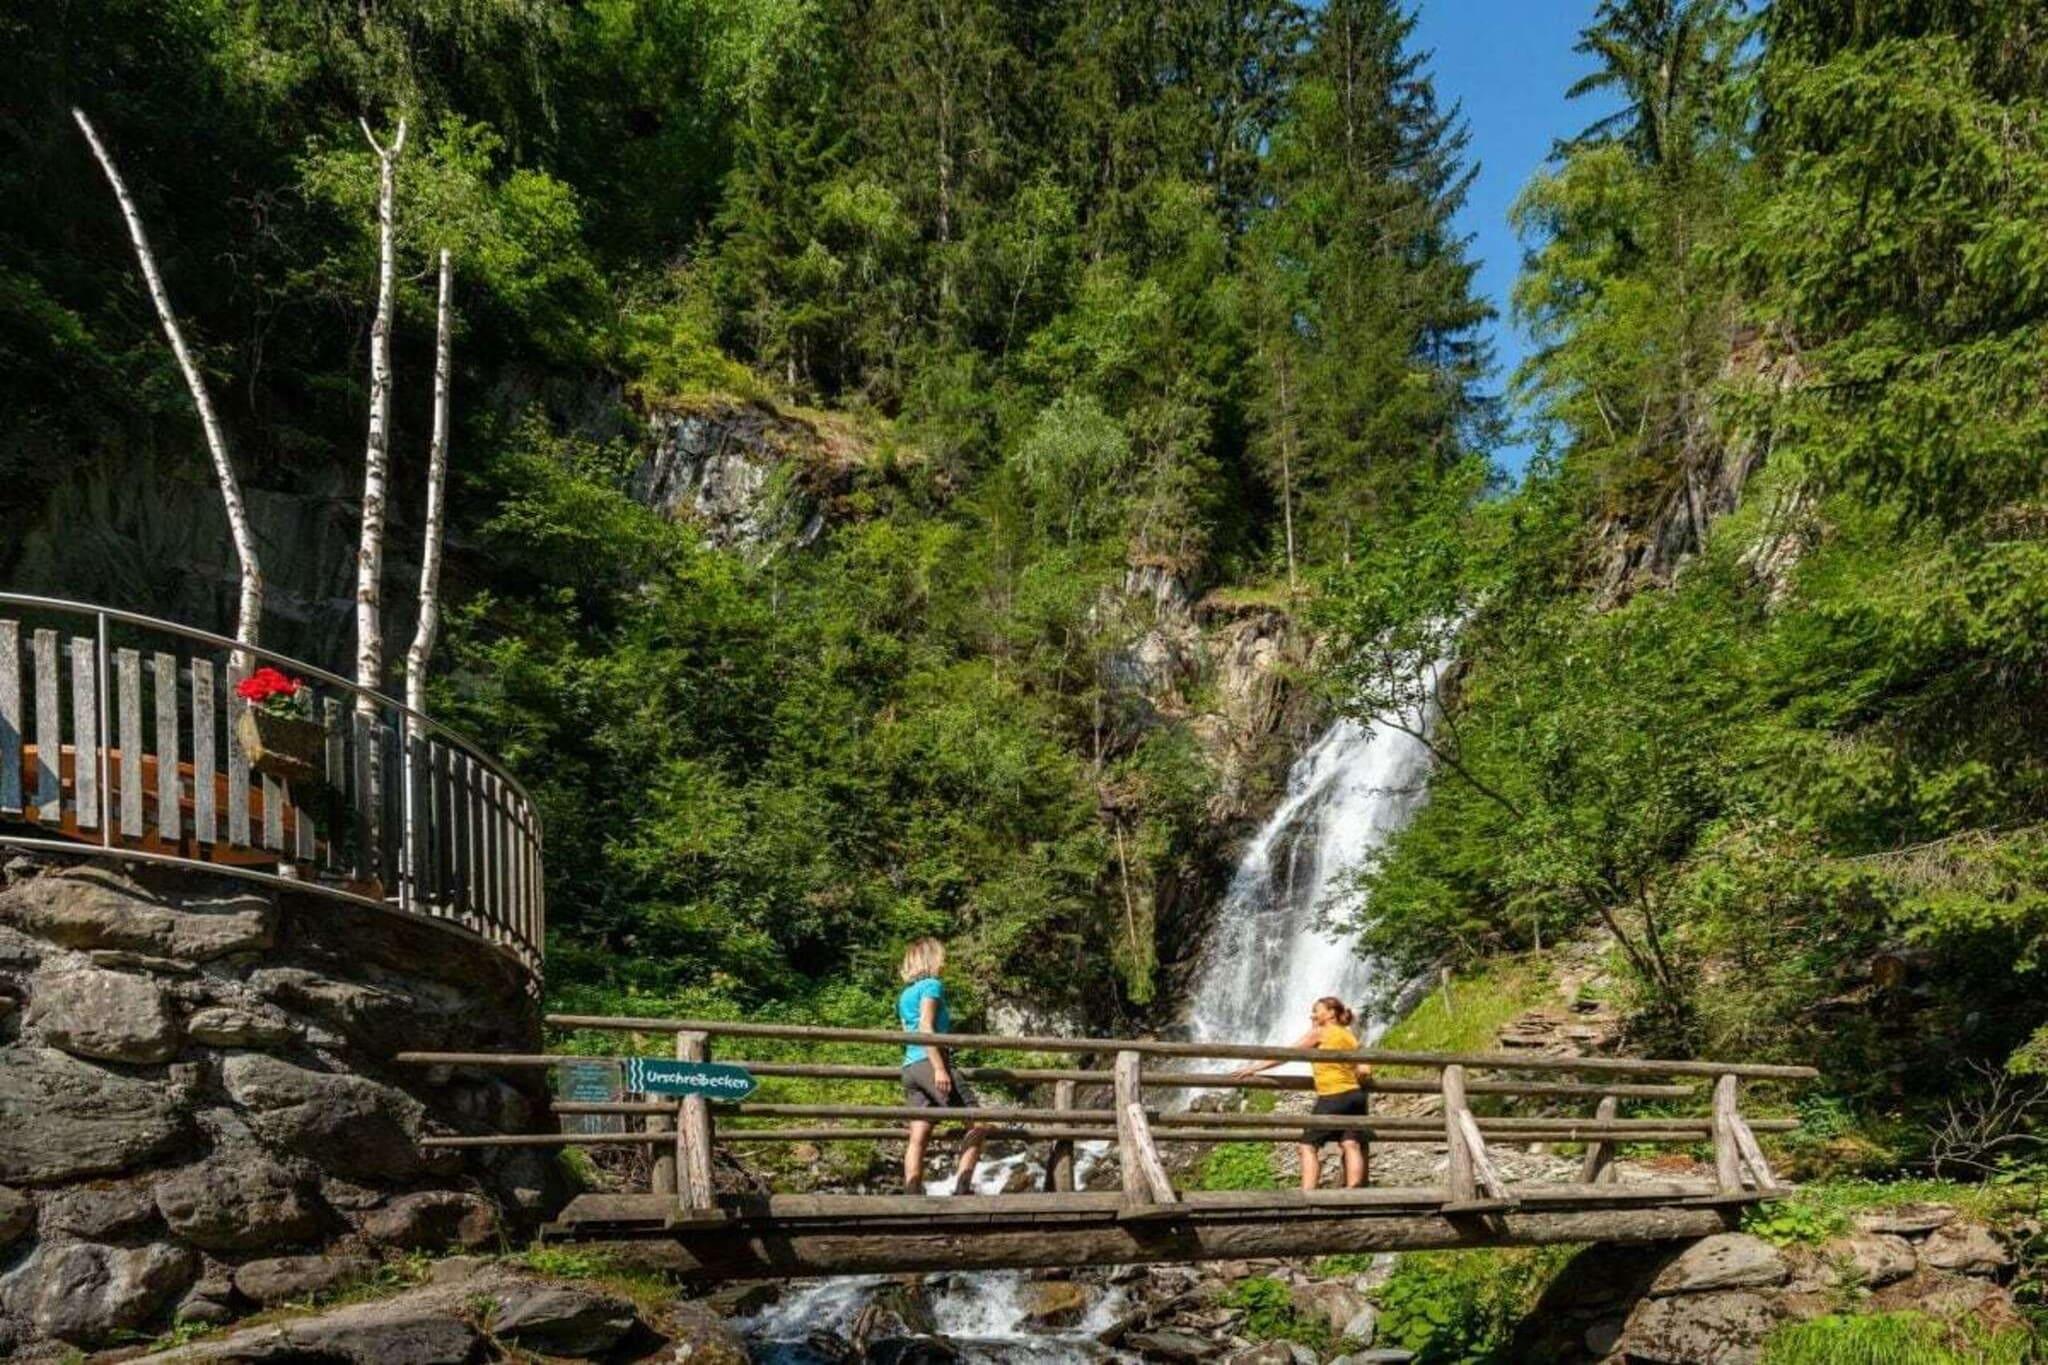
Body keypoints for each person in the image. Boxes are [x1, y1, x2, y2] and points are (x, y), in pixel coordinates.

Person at [1232, 996, 1371, 1191]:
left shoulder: (1321, 1032)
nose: (1312, 1014)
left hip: (1334, 1095)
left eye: (1317, 1010)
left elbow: (1288, 1054)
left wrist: (1254, 1068)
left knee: (1307, 1146)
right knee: (1350, 1143)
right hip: (1356, 1096)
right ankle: (1353, 1191)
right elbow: (1363, 1068)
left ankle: (1308, 1195)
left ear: (1331, 1013)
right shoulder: (1348, 1035)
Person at [897, 937, 991, 1194]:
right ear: (931, 960)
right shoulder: (932, 986)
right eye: (941, 957)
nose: (945, 962)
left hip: (910, 1068)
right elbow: (925, 1027)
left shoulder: (905, 995)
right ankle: (962, 1189)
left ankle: (911, 1194)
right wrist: (939, 1068)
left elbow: (907, 1032)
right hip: (930, 1062)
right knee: (978, 1123)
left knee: (919, 1135)